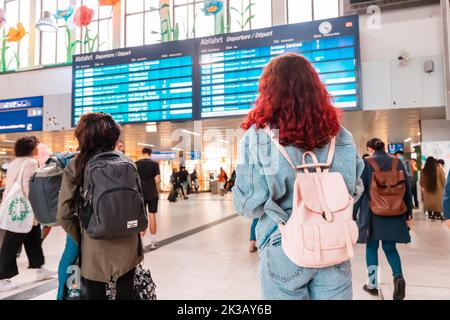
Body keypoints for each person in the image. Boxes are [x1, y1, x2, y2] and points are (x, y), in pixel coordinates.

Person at [233, 53, 364, 300]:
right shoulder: (341, 135)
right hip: (333, 243)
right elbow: (355, 189)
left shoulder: (258, 137)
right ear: (316, 88)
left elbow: (248, 205)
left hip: (282, 244)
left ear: (269, 91)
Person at [57, 113, 144, 300]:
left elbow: (64, 212)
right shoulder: (128, 162)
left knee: (94, 295)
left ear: (83, 136)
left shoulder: (76, 164)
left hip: (94, 246)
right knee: (126, 294)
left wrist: (81, 235)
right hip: (128, 244)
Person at [358, 138, 413, 300]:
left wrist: (352, 214)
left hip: (373, 214)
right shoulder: (397, 162)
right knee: (390, 248)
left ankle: (372, 285)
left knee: (371, 248)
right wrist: (408, 213)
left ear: (370, 149)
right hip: (395, 211)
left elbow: (360, 191)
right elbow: (407, 189)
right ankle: (398, 277)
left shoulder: (366, 164)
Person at [0, 136, 56, 292]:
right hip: (24, 209)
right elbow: (27, 187)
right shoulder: (31, 162)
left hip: (14, 207)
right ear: (32, 148)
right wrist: (34, 211)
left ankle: (40, 268)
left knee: (33, 237)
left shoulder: (14, 163)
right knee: (12, 242)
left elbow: (9, 187)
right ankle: (2, 277)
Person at [136, 148, 160, 250]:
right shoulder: (155, 164)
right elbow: (158, 180)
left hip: (140, 194)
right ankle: (153, 241)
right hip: (152, 194)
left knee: (142, 216)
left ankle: (141, 243)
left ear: (142, 153)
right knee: (152, 216)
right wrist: (156, 189)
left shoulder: (136, 164)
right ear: (150, 154)